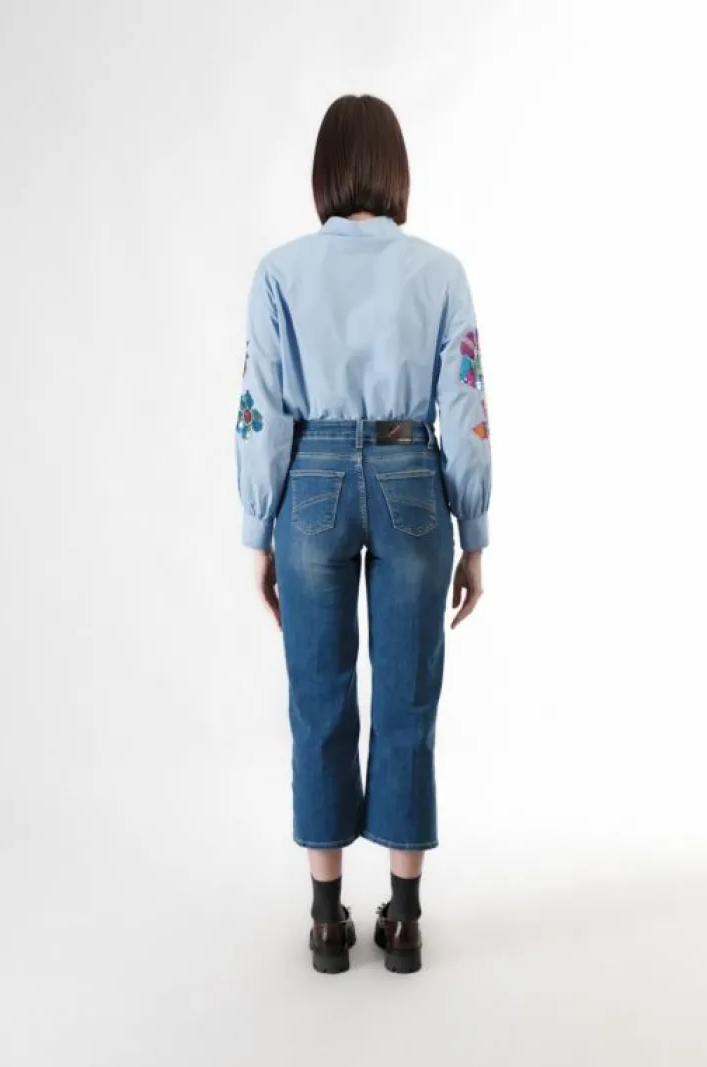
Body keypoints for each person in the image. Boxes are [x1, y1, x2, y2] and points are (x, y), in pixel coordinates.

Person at [235, 94, 491, 974]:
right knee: (409, 695)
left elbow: (262, 409)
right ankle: (406, 918)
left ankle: (325, 918)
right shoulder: (440, 271)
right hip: (413, 472)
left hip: (309, 479)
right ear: (395, 169)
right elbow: (465, 406)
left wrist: (259, 529)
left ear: (326, 171)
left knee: (319, 695)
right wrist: (475, 528)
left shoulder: (280, 271)